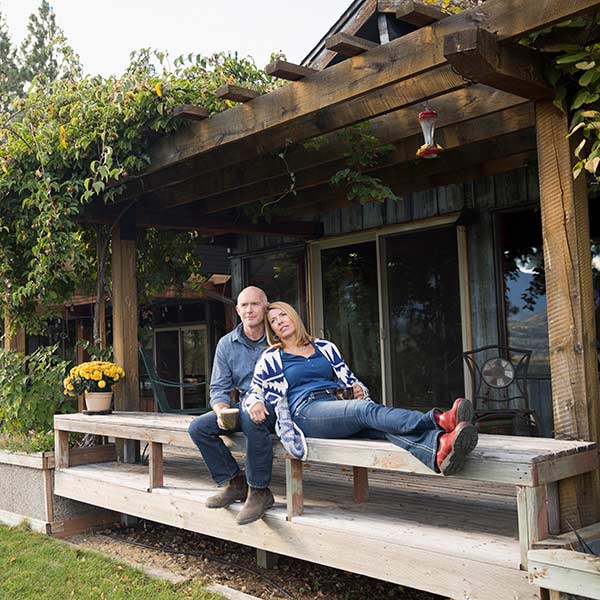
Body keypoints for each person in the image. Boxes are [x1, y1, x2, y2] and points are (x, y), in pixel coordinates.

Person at [242, 301, 478, 477]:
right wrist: (256, 403)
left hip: (336, 404)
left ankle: (438, 448)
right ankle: (439, 419)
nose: (279, 321)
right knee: (365, 411)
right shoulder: (271, 356)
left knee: (378, 426)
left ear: (294, 317)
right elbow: (253, 392)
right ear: (271, 329)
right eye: (273, 321)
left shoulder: (325, 347)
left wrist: (358, 389)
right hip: (305, 411)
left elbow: (350, 379)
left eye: (283, 315)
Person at [188, 286, 278, 526]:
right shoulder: (227, 344)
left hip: (278, 405)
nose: (250, 310)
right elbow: (218, 388)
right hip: (245, 404)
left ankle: (259, 491)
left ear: (265, 307)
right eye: (244, 305)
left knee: (250, 417)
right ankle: (236, 482)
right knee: (198, 427)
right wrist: (221, 411)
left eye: (255, 304)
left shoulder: (278, 338)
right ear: (238, 310)